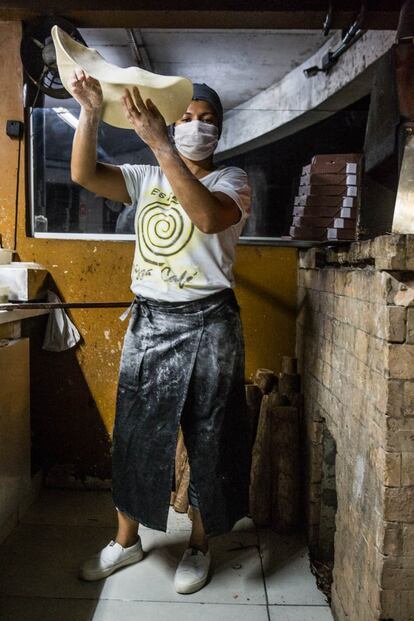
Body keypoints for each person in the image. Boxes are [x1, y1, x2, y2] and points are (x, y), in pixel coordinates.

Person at [70, 67, 253, 594]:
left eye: (207, 121)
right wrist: (88, 112)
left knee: (210, 440)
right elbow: (85, 174)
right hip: (150, 321)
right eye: (187, 119)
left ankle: (199, 545)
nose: (196, 127)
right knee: (134, 436)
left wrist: (159, 145)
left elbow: (206, 218)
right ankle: (125, 541)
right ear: (174, 123)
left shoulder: (230, 182)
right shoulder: (144, 178)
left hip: (210, 323)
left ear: (220, 132)